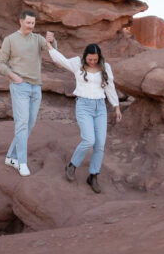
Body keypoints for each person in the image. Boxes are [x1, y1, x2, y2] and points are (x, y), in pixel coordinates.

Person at [45, 37, 122, 193]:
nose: (92, 61)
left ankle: (93, 176)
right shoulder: (76, 63)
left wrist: (116, 106)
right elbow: (61, 60)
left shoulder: (105, 67)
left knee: (100, 144)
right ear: (85, 56)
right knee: (89, 139)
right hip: (84, 106)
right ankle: (72, 166)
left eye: (95, 59)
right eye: (90, 58)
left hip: (100, 107)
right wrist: (49, 45)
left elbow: (110, 87)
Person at [0, 9, 56, 177]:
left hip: (36, 87)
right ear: (20, 21)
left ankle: (10, 156)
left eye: (33, 23)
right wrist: (13, 76)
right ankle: (22, 162)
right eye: (28, 23)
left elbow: (51, 50)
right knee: (21, 124)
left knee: (29, 124)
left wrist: (52, 40)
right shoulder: (10, 40)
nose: (31, 26)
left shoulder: (37, 39)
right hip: (20, 86)